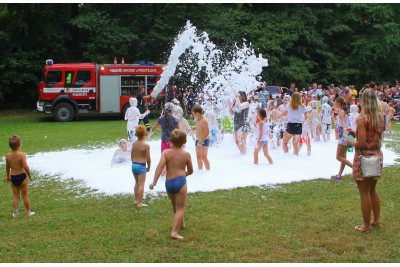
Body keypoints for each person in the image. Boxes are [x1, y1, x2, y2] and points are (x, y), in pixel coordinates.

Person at [346, 87, 384, 232]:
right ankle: (376, 220)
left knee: (364, 192)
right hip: (376, 155)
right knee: (373, 190)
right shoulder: (379, 116)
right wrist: (356, 134)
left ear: (363, 100)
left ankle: (366, 225)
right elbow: (373, 136)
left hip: (363, 157)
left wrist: (351, 142)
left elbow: (361, 143)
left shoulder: (362, 118)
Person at [149, 129, 194, 240]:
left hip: (169, 183)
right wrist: (186, 174)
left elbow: (160, 167)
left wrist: (154, 182)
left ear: (170, 141)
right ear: (185, 141)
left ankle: (181, 223)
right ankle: (174, 232)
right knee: (180, 208)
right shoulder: (186, 154)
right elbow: (191, 170)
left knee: (175, 205)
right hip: (180, 181)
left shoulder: (166, 153)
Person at [5, 135, 35, 218]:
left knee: (16, 196)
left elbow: (7, 167)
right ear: (19, 145)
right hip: (22, 177)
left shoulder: (8, 156)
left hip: (13, 177)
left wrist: (8, 176)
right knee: (25, 195)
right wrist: (30, 176)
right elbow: (25, 166)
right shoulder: (22, 155)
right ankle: (28, 212)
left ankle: (15, 213)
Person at [151, 102, 180, 176]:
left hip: (164, 142)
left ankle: (162, 176)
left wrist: (148, 135)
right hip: (173, 142)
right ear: (172, 110)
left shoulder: (161, 119)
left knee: (164, 160)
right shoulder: (175, 119)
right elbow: (179, 131)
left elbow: (153, 129)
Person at [331, 96, 352, 181]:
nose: (334, 104)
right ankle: (339, 175)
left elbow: (344, 124)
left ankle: (356, 169)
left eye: (335, 102)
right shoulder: (344, 112)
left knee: (339, 157)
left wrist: (345, 134)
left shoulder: (341, 112)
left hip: (343, 135)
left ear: (338, 103)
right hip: (345, 134)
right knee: (343, 157)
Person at [131, 125, 151, 207]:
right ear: (144, 134)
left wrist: (133, 162)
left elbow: (132, 154)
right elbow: (148, 158)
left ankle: (136, 199)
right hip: (141, 166)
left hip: (134, 164)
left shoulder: (134, 143)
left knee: (136, 183)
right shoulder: (146, 145)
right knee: (141, 184)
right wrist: (149, 166)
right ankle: (140, 202)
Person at [191, 105, 211, 170]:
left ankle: (208, 171)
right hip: (198, 140)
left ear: (197, 113)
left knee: (204, 157)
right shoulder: (198, 119)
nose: (193, 115)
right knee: (198, 157)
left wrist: (201, 141)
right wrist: (192, 128)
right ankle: (200, 171)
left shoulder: (204, 120)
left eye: (193, 114)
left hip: (204, 140)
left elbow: (207, 132)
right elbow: (198, 127)